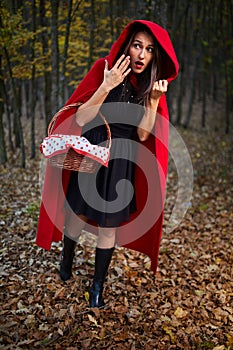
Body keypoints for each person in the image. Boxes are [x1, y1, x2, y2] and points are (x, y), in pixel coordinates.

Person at [36, 20, 179, 308]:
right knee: (77, 213)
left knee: (108, 227)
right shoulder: (104, 68)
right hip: (92, 149)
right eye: (137, 45)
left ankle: (97, 287)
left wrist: (152, 102)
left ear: (155, 56)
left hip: (121, 161)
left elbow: (141, 134)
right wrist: (106, 85)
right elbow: (81, 118)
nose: (141, 54)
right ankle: (67, 261)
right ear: (127, 44)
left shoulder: (150, 86)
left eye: (149, 49)